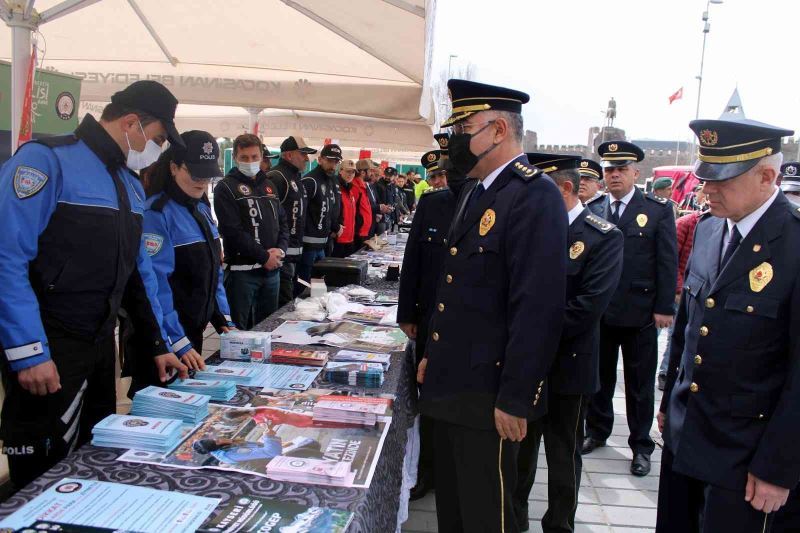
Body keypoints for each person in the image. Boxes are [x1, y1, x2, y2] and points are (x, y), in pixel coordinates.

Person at [0, 80, 189, 489]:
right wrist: (28, 351)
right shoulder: (46, 160)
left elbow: (139, 275)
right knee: (41, 479)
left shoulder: (129, 182)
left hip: (101, 345)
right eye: (158, 138)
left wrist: (157, 343)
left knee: (95, 465)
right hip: (51, 348)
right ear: (131, 123)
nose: (157, 150)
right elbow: (6, 257)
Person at [417, 79, 567, 533]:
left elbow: (537, 308)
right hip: (451, 385)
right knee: (454, 514)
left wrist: (516, 398)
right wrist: (432, 353)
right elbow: (454, 286)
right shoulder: (476, 190)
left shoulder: (534, 195)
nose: (455, 141)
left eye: (464, 129)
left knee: (488, 516)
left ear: (498, 130)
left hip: (490, 395)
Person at [656, 117, 800, 533]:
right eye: (705, 179)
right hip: (686, 435)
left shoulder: (793, 244)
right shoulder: (708, 229)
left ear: (766, 177)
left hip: (746, 455)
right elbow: (688, 327)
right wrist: (668, 403)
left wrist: (778, 467)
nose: (707, 191)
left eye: (722, 181)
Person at [514, 153, 623, 533]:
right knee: (519, 451)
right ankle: (514, 521)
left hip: (568, 364)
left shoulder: (602, 237)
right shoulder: (530, 230)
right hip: (526, 364)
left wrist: (529, 329)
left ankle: (559, 526)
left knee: (563, 455)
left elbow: (588, 307)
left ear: (564, 189)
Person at [582, 140, 677, 478]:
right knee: (599, 378)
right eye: (609, 169)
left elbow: (667, 261)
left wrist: (664, 307)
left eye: (621, 169)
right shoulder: (594, 208)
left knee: (639, 385)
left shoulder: (657, 209)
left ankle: (641, 445)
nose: (614, 175)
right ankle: (597, 430)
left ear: (636, 173)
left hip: (640, 313)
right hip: (601, 312)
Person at [130, 131, 237, 393]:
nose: (202, 182)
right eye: (195, 174)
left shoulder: (201, 209)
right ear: (174, 167)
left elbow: (214, 271)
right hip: (165, 337)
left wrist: (223, 318)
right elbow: (155, 285)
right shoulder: (156, 214)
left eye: (207, 175)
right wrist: (176, 339)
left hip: (193, 332)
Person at [398, 141, 467, 502]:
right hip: (430, 318)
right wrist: (407, 313)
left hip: (469, 324)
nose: (450, 174)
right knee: (429, 400)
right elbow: (413, 260)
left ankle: (456, 469)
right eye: (445, 168)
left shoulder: (490, 204)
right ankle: (427, 471)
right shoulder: (432, 203)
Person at [213, 134, 288, 330]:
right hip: (242, 274)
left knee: (268, 329)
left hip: (272, 272)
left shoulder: (269, 185)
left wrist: (281, 250)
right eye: (244, 158)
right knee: (238, 334)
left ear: (261, 156)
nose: (250, 162)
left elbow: (283, 222)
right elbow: (232, 231)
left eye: (254, 157)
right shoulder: (225, 187)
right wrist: (264, 256)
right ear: (235, 158)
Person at [657, 183, 707, 390]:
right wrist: (678, 289)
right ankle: (666, 372)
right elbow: (670, 260)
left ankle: (672, 371)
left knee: (685, 335)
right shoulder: (686, 223)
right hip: (679, 290)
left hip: (699, 294)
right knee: (671, 334)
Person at [266, 136, 315, 305]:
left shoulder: (295, 178)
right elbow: (270, 219)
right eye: (303, 154)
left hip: (295, 255)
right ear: (288, 155)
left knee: (292, 299)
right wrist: (280, 249)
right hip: (282, 256)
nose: (307, 159)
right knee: (283, 304)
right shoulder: (277, 177)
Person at [299, 144, 343, 282]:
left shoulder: (331, 180)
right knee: (304, 286)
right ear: (320, 159)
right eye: (329, 160)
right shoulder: (310, 180)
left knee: (319, 285)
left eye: (336, 162)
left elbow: (330, 210)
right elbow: (300, 213)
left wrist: (335, 227)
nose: (333, 165)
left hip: (323, 243)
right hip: (308, 246)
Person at [332, 160, 369, 257]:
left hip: (350, 238)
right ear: (340, 171)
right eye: (348, 171)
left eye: (353, 172)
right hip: (338, 238)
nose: (350, 174)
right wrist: (334, 229)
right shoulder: (335, 188)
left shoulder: (350, 190)